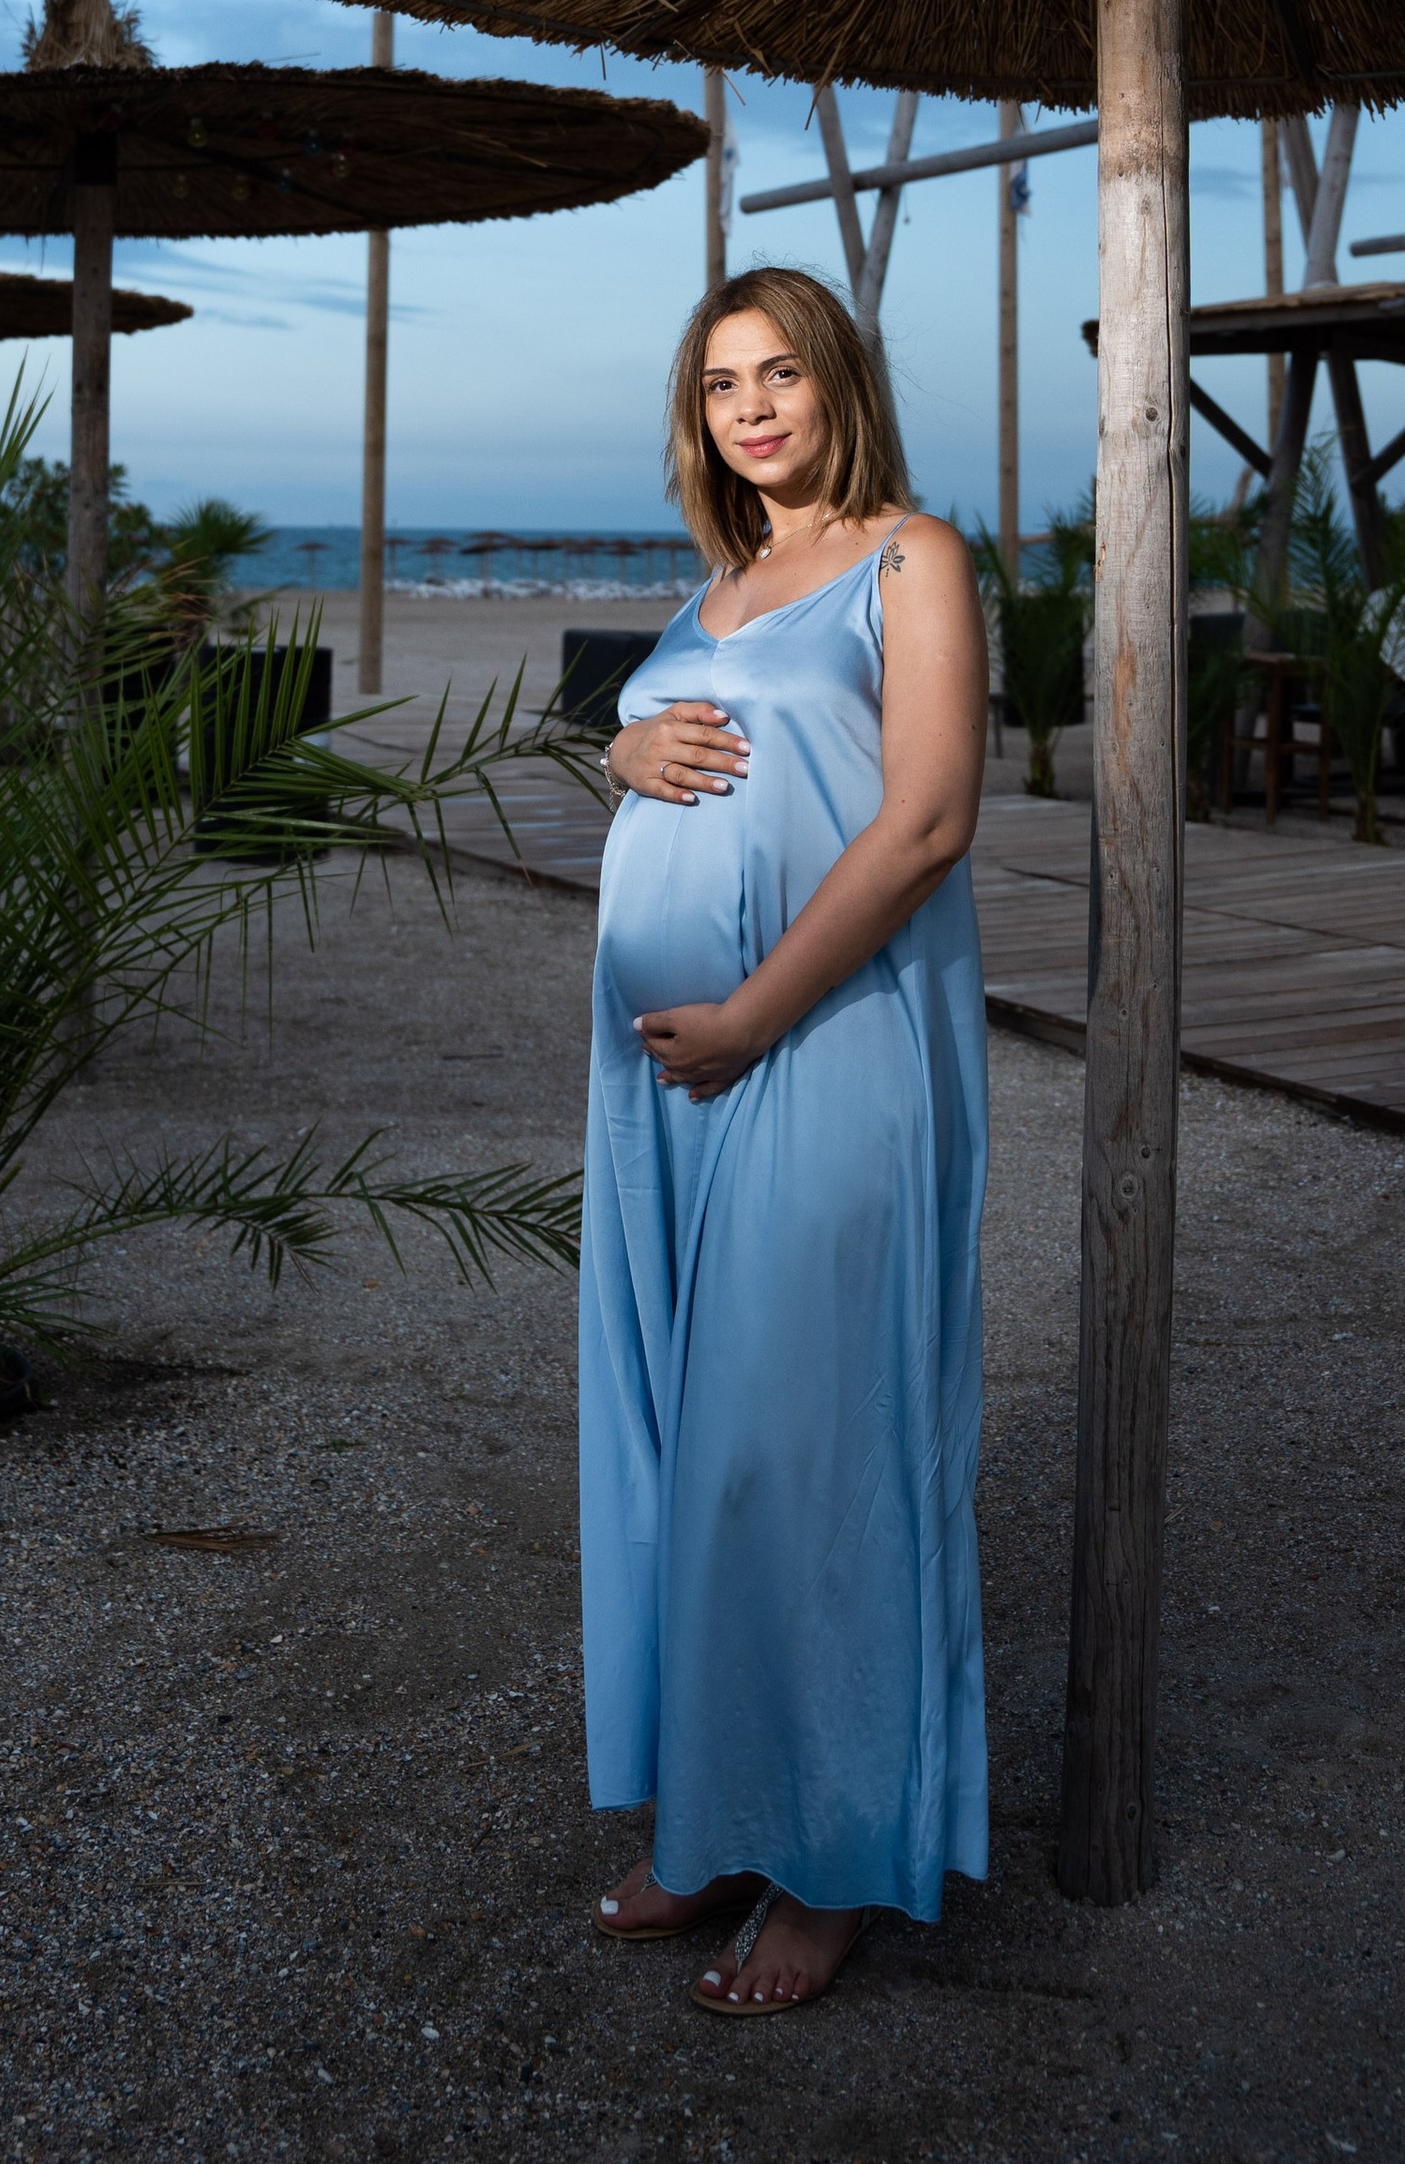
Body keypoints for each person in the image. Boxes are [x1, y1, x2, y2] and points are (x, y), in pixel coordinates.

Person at [579, 264, 991, 2015]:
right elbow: (683, 753)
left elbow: (928, 822)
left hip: (823, 1051)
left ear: (839, 384)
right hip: (662, 1092)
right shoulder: (720, 580)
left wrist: (751, 1015)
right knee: (686, 1449)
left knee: (807, 1453)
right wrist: (618, 750)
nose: (751, 406)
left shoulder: (914, 558)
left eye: (781, 373)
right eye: (721, 380)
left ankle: (828, 1854)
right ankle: (713, 1817)